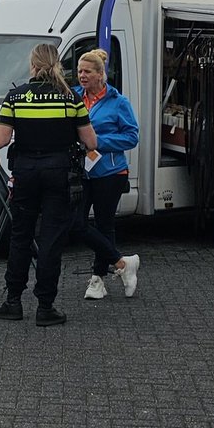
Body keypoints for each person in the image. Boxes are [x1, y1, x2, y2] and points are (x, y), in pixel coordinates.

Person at [0, 43, 141, 326]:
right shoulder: (70, 98)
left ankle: (12, 302)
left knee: (21, 238)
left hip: (25, 174)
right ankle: (45, 307)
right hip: (59, 176)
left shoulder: (15, 96)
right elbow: (91, 142)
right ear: (57, 65)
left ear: (33, 65)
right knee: (51, 241)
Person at [73, 47, 140, 301]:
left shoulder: (118, 101)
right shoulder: (75, 96)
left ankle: (97, 279)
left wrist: (97, 141)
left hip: (110, 172)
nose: (82, 76)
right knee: (76, 222)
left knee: (104, 224)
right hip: (82, 171)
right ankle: (122, 263)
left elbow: (131, 136)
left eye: (87, 71)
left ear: (101, 74)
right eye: (79, 71)